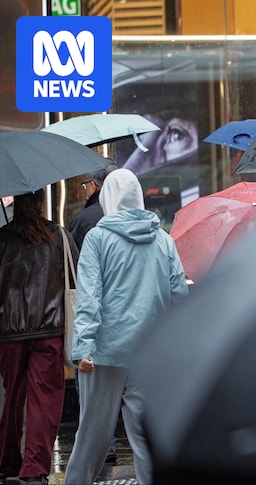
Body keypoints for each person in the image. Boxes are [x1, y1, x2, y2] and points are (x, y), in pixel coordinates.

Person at [64, 169, 189, 485]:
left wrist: (83, 347)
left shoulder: (98, 239)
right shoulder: (163, 239)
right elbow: (178, 295)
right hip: (151, 352)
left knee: (92, 433)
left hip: (106, 352)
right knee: (146, 437)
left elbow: (89, 296)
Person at [0, 189, 77, 485]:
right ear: (42, 204)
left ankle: (6, 461)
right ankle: (34, 467)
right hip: (48, 330)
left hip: (9, 332)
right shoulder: (58, 236)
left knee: (10, 399)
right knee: (44, 400)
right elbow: (74, 278)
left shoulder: (3, 240)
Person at [67, 161, 120, 465]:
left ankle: (104, 448)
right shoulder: (152, 228)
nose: (83, 188)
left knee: (92, 398)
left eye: (85, 183)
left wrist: (81, 344)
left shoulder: (86, 223)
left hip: (99, 326)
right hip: (136, 331)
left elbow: (83, 285)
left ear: (97, 185)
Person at [69, 162, 118, 253]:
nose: (85, 190)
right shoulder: (130, 213)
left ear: (92, 185)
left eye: (84, 185)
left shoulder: (82, 220)